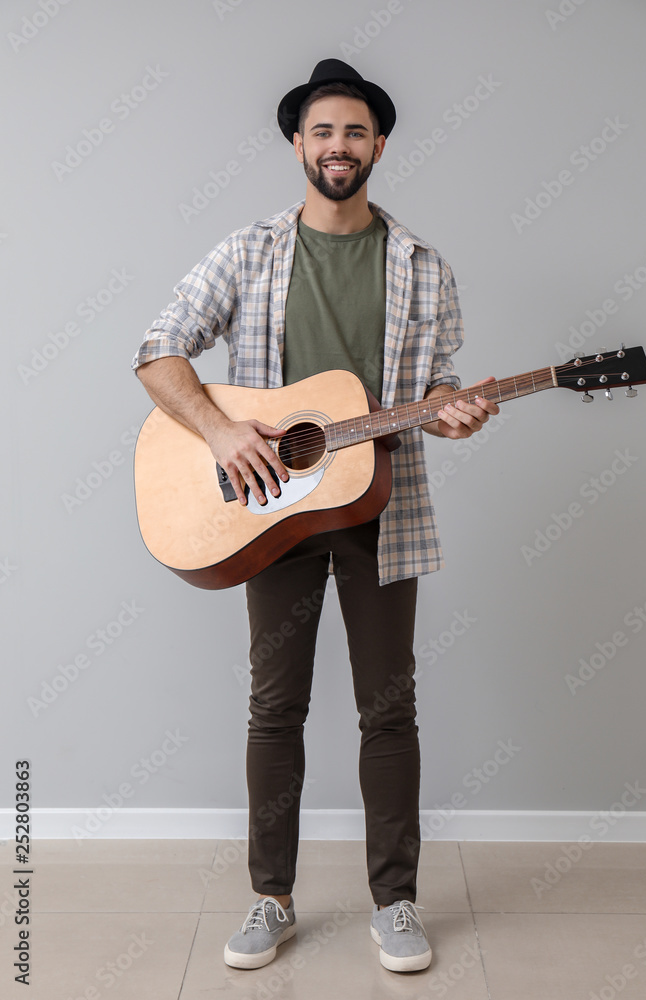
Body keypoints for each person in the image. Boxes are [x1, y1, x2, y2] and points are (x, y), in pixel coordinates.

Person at [131, 58, 500, 974]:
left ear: (380, 144)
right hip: (271, 512)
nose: (339, 146)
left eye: (356, 131)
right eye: (323, 131)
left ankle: (397, 903)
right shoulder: (249, 251)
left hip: (385, 505)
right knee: (274, 707)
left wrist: (453, 407)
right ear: (298, 143)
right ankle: (271, 898)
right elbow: (157, 349)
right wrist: (221, 433)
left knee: (390, 709)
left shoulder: (422, 263)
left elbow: (438, 382)